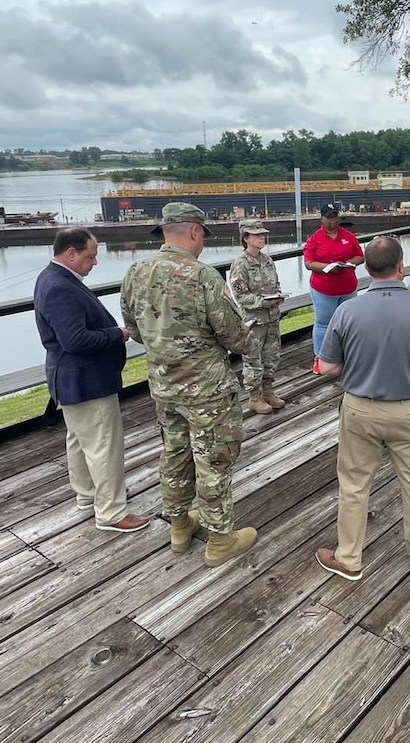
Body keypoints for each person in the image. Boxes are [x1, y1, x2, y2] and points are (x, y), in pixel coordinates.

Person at [120, 202, 257, 566]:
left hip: (164, 386)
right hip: (207, 390)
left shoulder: (135, 273)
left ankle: (179, 525)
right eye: (203, 236)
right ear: (195, 231)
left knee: (175, 452)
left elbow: (134, 331)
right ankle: (219, 539)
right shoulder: (202, 276)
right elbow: (234, 337)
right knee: (213, 459)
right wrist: (248, 337)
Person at [313, 236, 410, 580]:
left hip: (360, 410)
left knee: (354, 485)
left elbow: (329, 367)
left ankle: (349, 558)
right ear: (401, 266)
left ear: (365, 268)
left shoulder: (348, 310)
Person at [33, 228, 149, 533]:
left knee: (80, 439)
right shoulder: (60, 286)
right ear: (70, 253)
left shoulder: (52, 278)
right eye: (90, 256)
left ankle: (87, 494)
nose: (94, 263)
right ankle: (111, 511)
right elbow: (75, 340)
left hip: (71, 379)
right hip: (86, 379)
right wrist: (119, 334)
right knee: (103, 444)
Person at [230, 218, 286, 415]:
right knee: (253, 359)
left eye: (263, 235)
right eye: (257, 235)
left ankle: (268, 391)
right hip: (254, 321)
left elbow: (275, 284)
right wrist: (263, 302)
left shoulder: (267, 260)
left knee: (271, 356)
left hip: (271, 317)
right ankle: (254, 397)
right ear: (246, 238)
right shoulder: (240, 264)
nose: (262, 238)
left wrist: (278, 296)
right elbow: (241, 296)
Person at [303, 203, 365, 374]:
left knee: (349, 324)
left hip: (347, 287)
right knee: (324, 324)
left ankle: (347, 355)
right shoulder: (315, 239)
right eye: (329, 217)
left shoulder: (348, 236)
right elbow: (309, 263)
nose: (332, 220)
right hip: (324, 289)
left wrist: (350, 263)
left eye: (335, 216)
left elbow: (360, 256)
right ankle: (319, 357)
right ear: (322, 218)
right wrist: (326, 267)